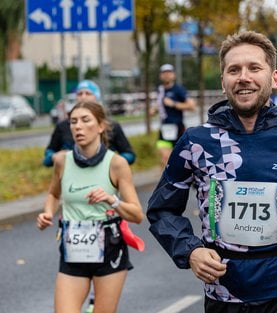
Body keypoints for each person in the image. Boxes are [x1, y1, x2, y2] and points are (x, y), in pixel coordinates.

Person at [147, 30, 277, 313]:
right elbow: (162, 210)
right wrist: (190, 250)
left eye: (254, 68)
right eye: (234, 70)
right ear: (223, 82)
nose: (244, 77)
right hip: (224, 294)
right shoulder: (195, 142)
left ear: (274, 78)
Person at [37, 101, 144, 313]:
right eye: (73, 122)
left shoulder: (116, 163)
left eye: (85, 120)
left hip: (109, 248)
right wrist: (47, 212)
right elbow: (53, 193)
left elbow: (137, 214)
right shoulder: (62, 161)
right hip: (73, 249)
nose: (78, 127)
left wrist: (111, 200)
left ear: (101, 126)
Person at [43, 80, 136, 167]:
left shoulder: (111, 125)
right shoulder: (62, 126)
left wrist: (111, 161)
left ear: (101, 127)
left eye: (88, 93)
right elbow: (47, 157)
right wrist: (55, 157)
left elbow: (130, 155)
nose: (83, 97)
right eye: (80, 93)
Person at [155, 64, 195, 167]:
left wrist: (173, 104)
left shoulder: (178, 89)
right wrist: (154, 109)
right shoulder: (159, 90)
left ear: (173, 75)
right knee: (165, 158)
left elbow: (192, 106)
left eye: (169, 73)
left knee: (179, 161)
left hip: (178, 128)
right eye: (164, 73)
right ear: (160, 76)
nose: (167, 75)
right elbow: (160, 105)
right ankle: (166, 182)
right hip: (164, 128)